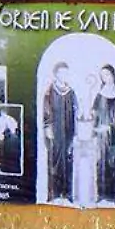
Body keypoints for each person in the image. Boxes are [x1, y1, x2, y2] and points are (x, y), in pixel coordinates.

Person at [41, 62, 76, 203]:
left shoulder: (70, 91)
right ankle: (54, 192)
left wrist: (75, 134)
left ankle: (67, 192)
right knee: (54, 160)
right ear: (56, 74)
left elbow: (74, 112)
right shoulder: (50, 91)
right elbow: (46, 111)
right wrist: (47, 127)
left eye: (65, 72)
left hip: (68, 131)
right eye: (61, 72)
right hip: (55, 131)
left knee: (68, 160)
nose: (64, 75)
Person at [92, 65, 115, 206]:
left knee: (112, 164)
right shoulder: (100, 95)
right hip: (101, 138)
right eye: (103, 76)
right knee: (100, 164)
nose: (105, 78)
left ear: (113, 75)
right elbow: (94, 113)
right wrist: (93, 121)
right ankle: (101, 194)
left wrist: (109, 128)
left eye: (107, 75)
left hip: (113, 139)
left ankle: (113, 196)